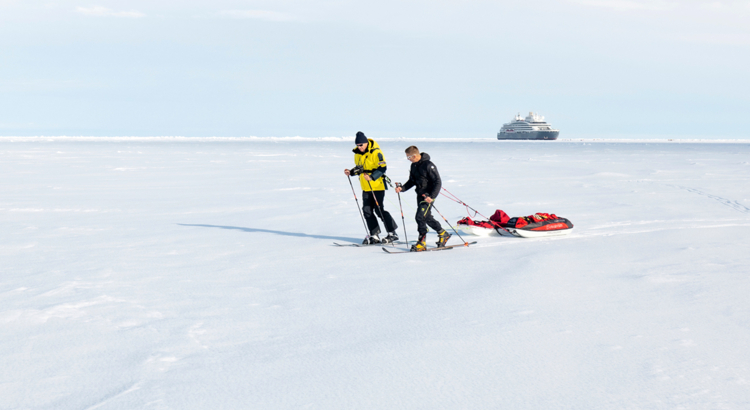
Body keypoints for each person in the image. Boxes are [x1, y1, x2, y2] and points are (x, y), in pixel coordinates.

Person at [344, 131, 399, 244]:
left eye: (361, 145)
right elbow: (359, 168)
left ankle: (392, 233)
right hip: (365, 186)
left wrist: (372, 177)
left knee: (379, 210)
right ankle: (374, 235)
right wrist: (351, 172)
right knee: (367, 211)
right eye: (357, 145)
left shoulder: (376, 152)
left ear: (366, 143)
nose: (359, 147)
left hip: (377, 185)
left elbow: (383, 168)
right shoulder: (357, 154)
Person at [395, 145, 451, 251]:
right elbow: (412, 181)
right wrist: (402, 188)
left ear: (415, 155)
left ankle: (421, 242)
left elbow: (438, 182)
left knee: (420, 217)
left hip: (428, 196)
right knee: (426, 217)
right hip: (420, 196)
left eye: (409, 157)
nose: (408, 159)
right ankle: (443, 233)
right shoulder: (413, 166)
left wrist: (432, 196)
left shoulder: (429, 165)